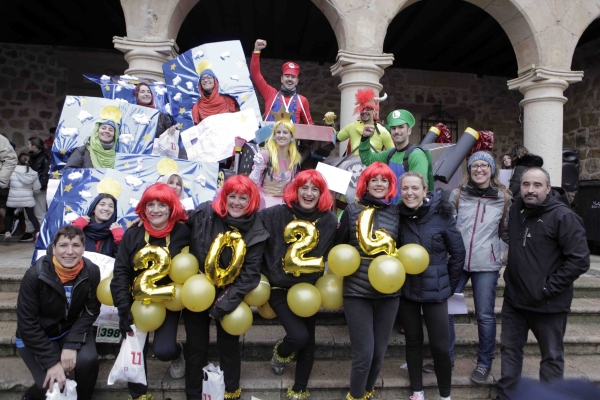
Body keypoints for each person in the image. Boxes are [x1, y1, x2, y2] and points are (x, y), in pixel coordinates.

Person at [495, 167, 590, 400]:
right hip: (515, 302)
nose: (530, 189)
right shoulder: (517, 209)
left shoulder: (563, 217)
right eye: (526, 184)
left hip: (549, 305)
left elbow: (579, 260)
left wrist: (547, 288)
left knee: (552, 358)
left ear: (548, 188)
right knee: (509, 353)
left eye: (537, 185)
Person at [423, 151, 511, 384]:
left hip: (487, 265)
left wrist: (496, 249)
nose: (479, 169)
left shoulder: (504, 198)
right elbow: (445, 225)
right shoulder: (457, 194)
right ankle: (446, 358)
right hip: (457, 262)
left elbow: (508, 231)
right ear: (469, 170)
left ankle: (484, 362)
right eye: (475, 166)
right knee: (447, 310)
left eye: (484, 165)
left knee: (484, 315)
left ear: (492, 169)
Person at [185, 175, 268, 400]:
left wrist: (220, 306)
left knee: (229, 347)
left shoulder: (257, 230)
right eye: (232, 196)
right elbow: (177, 221)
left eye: (243, 197)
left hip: (230, 293)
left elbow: (250, 276)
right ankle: (193, 394)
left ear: (251, 200)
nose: (236, 202)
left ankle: (231, 391)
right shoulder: (204, 213)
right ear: (224, 196)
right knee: (195, 348)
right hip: (197, 289)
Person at [259, 170, 336, 399]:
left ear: (322, 193)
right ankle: (280, 354)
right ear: (296, 189)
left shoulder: (329, 220)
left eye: (315, 189)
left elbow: (340, 247)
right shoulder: (275, 214)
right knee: (298, 337)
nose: (309, 193)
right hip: (279, 286)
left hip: (309, 289)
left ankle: (299, 389)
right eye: (305, 187)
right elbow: (249, 229)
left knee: (308, 341)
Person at [111, 183, 190, 400]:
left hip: (168, 300)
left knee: (163, 350)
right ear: (143, 208)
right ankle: (139, 395)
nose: (155, 210)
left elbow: (206, 215)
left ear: (171, 207)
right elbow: (121, 272)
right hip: (137, 300)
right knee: (135, 351)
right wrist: (123, 308)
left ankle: (177, 354)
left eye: (162, 205)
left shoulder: (183, 231)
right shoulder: (133, 234)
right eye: (150, 205)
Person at [333, 162, 400, 400]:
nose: (379, 184)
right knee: (364, 354)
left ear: (390, 184)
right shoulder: (351, 210)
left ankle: (367, 392)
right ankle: (355, 396)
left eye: (384, 180)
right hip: (357, 292)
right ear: (366, 184)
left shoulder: (396, 212)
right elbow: (338, 246)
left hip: (389, 294)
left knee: (379, 354)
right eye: (374, 180)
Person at [397, 171, 465, 400]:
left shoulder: (442, 215)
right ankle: (417, 391)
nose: (410, 193)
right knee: (413, 341)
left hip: (436, 292)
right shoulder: (398, 216)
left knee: (440, 347)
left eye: (415, 188)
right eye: (405, 188)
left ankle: (445, 395)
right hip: (407, 290)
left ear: (425, 190)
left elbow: (457, 254)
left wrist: (448, 285)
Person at [16, 225, 101, 400]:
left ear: (84, 248)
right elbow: (26, 323)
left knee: (88, 361)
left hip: (70, 329)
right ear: (53, 248)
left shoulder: (91, 271)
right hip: (38, 334)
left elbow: (91, 310)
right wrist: (52, 361)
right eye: (63, 245)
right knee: (52, 385)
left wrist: (71, 344)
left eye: (76, 245)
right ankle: (29, 397)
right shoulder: (35, 275)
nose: (70, 252)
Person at [359, 109, 431, 203]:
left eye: (401, 127)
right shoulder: (390, 154)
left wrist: (395, 210)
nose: (396, 131)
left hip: (406, 212)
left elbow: (417, 190)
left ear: (409, 131)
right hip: (391, 212)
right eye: (393, 128)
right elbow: (367, 159)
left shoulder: (416, 156)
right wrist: (365, 138)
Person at [251, 39, 313, 124]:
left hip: (291, 137)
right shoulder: (270, 94)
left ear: (297, 81)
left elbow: (309, 127)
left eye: (293, 77)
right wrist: (256, 50)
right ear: (281, 79)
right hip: (269, 137)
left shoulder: (302, 100)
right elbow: (256, 75)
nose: (290, 79)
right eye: (287, 76)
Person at [249, 120, 301, 209]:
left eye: (285, 132)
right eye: (278, 132)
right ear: (274, 136)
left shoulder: (294, 158)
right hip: (262, 201)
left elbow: (291, 187)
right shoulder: (265, 154)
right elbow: (251, 182)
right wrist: (258, 167)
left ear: (291, 136)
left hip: (282, 203)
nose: (281, 135)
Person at [336, 88, 393, 156]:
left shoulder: (383, 131)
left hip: (373, 165)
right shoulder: (351, 127)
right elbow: (334, 139)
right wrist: (329, 124)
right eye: (362, 108)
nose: (364, 111)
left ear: (374, 110)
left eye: (368, 108)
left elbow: (393, 156)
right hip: (353, 165)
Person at [3, 153, 41, 241]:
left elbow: (5, 184)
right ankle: (38, 233)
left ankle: (7, 232)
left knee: (9, 214)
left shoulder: (12, 171)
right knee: (31, 216)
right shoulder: (33, 173)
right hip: (27, 198)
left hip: (14, 197)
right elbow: (37, 188)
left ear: (18, 161)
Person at [21, 137, 50, 242]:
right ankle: (29, 232)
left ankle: (41, 232)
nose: (27, 146)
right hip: (28, 186)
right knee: (27, 211)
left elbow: (46, 172)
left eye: (29, 144)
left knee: (39, 210)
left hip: (39, 187)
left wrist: (42, 185)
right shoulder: (29, 157)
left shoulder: (44, 157)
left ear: (34, 146)